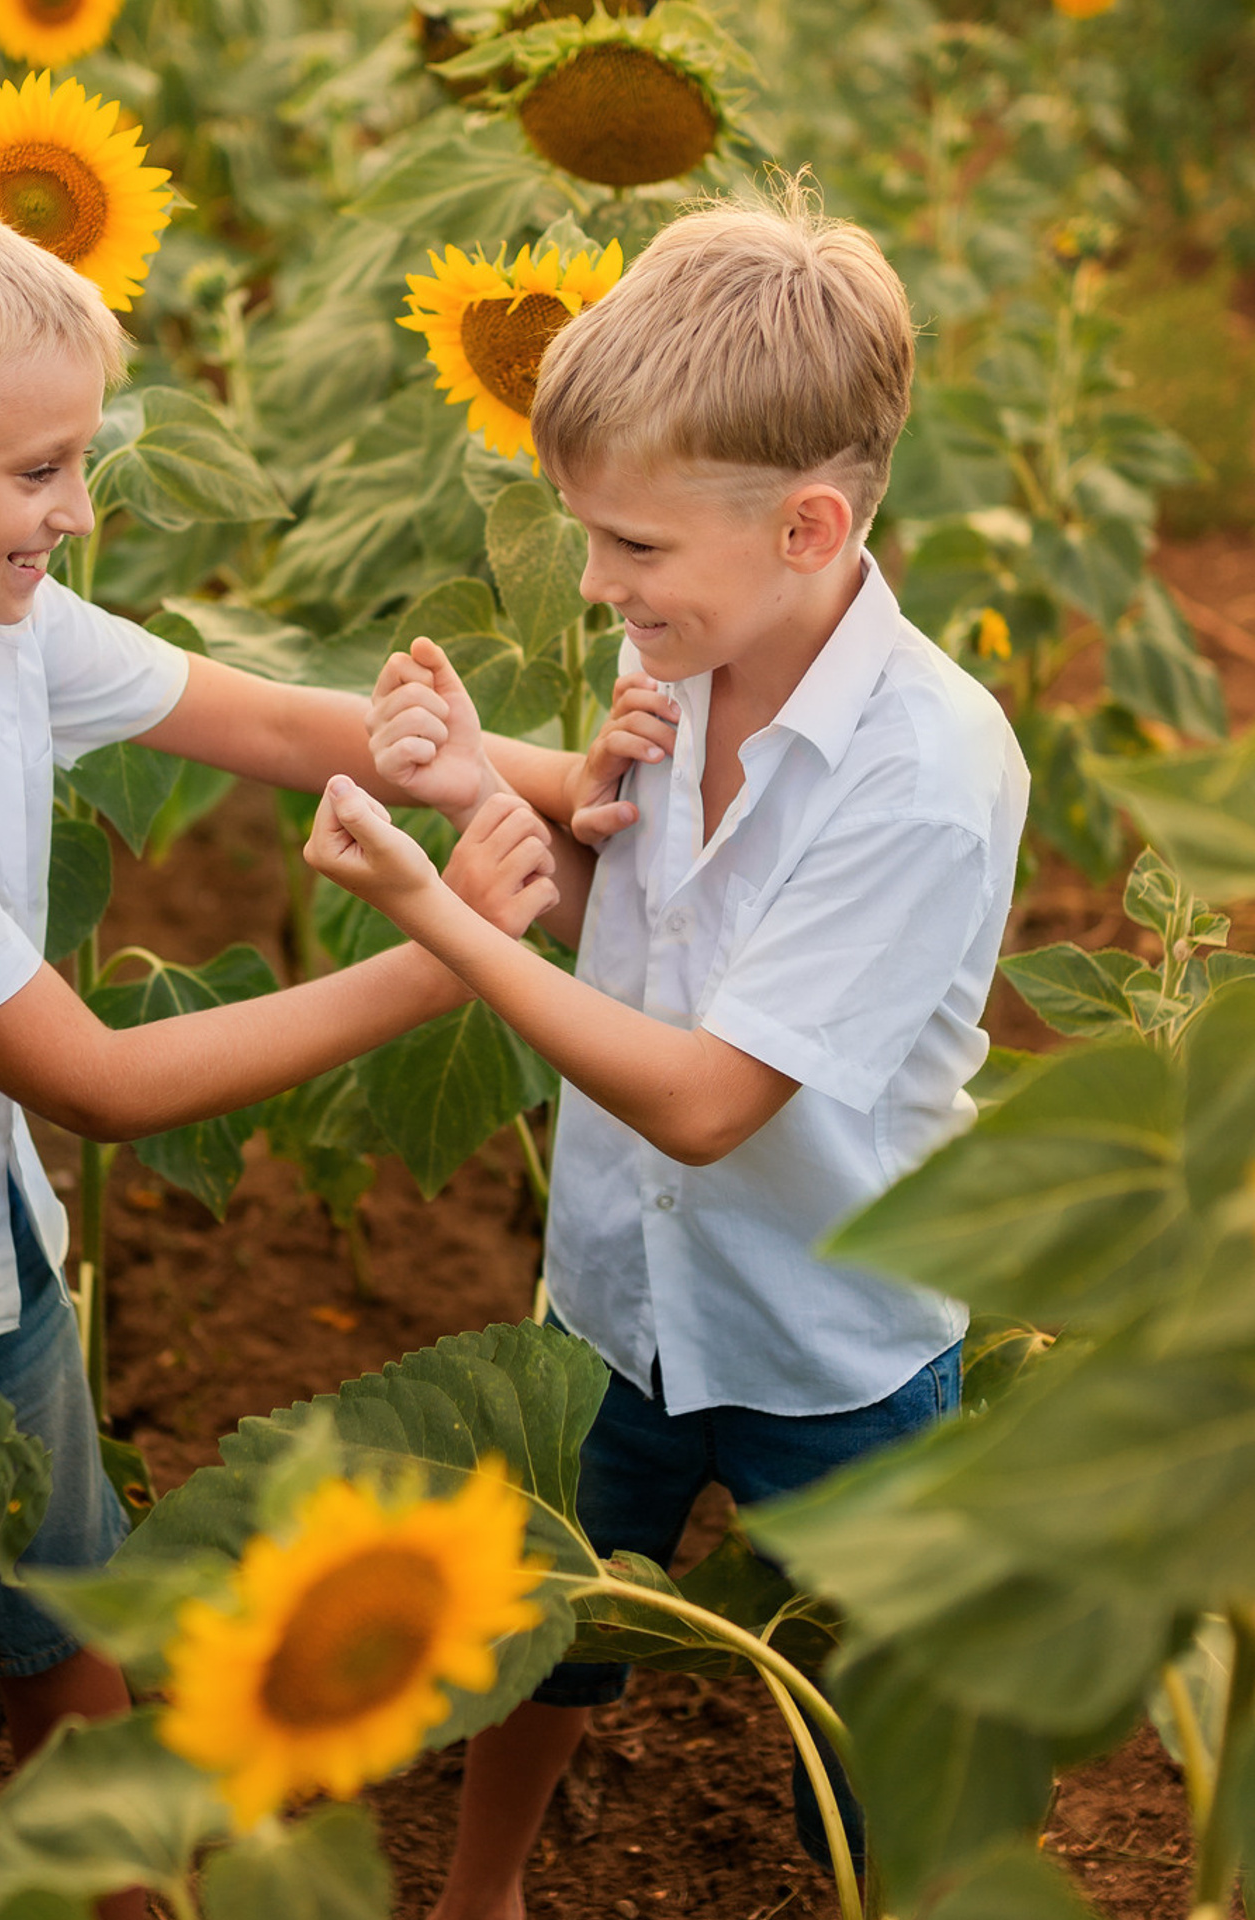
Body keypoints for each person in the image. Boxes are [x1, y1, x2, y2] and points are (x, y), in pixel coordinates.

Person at [0, 172, 563, 1920]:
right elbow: (103, 1080)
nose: (78, 510)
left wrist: (588, 775)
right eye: (38, 473)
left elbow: (289, 725)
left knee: (75, 1661)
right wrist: (449, 951)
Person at [307, 186, 1030, 1919]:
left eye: (632, 547)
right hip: (619, 1289)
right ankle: (479, 1896)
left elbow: (708, 1098)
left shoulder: (923, 774)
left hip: (831, 1339)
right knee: (544, 1629)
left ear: (805, 525)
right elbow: (632, 904)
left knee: (865, 1739)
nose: (596, 579)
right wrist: (486, 785)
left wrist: (441, 920)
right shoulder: (695, 655)